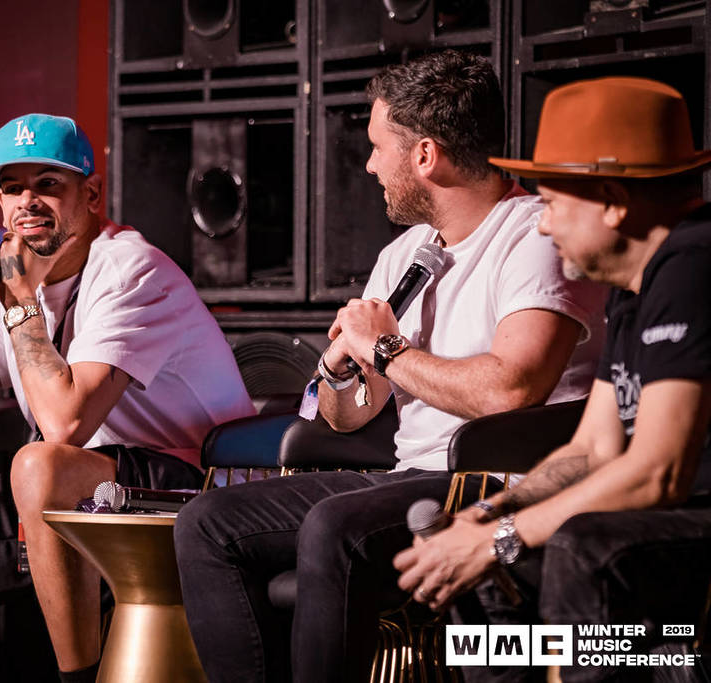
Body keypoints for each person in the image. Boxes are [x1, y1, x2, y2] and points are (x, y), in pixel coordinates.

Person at [174, 50, 607, 683]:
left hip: (495, 479)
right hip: (409, 476)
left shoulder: (534, 236)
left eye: (379, 147)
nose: (370, 164)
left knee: (332, 526)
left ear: (425, 155)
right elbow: (347, 418)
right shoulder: (404, 254)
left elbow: (511, 390)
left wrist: (385, 349)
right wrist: (339, 370)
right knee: (207, 522)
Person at [0, 113, 254, 683]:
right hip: (79, 485)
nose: (28, 202)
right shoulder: (2, 285)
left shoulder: (131, 269)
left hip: (195, 489)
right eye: (13, 187)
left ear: (90, 194)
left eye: (48, 184)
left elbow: (67, 426)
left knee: (42, 463)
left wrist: (22, 306)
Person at [393, 77, 711, 682]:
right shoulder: (636, 282)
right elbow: (593, 449)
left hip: (689, 523)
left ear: (612, 201)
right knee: (480, 569)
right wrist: (491, 514)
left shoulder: (694, 264)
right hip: (671, 518)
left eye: (554, 204)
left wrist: (504, 537)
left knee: (578, 545)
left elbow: (658, 472)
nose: (543, 225)